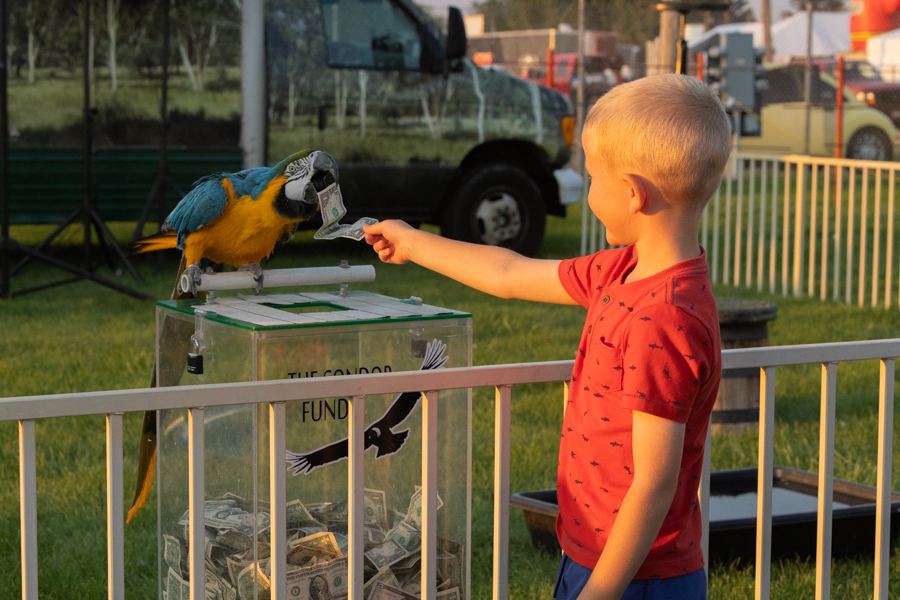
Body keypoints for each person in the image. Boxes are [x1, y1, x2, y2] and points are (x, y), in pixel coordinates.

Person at [363, 73, 731, 600]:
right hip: (594, 557)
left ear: (632, 193)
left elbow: (653, 485)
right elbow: (510, 273)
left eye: (593, 177)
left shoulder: (663, 318)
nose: (588, 191)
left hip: (635, 578)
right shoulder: (620, 272)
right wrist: (415, 243)